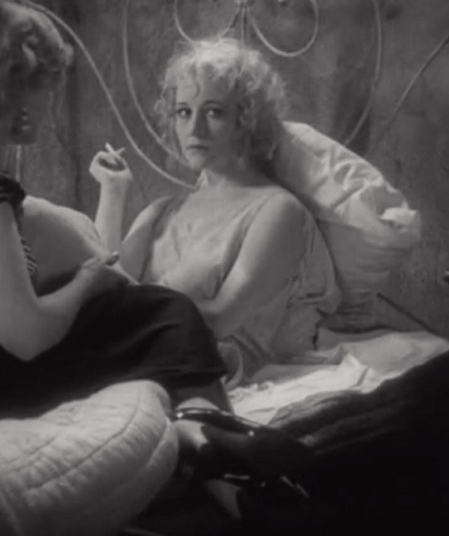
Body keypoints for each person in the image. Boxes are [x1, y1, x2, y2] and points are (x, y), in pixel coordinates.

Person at [0, 0, 234, 441]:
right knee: (168, 314)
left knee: (132, 315)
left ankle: (205, 433)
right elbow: (26, 337)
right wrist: (87, 280)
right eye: (47, 89)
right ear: (20, 86)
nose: (49, 105)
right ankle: (220, 442)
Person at [91, 38, 340, 389]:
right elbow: (100, 287)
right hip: (134, 353)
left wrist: (122, 309)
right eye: (183, 112)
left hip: (202, 369)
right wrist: (113, 193)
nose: (194, 129)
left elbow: (222, 318)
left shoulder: (276, 210)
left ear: (247, 119)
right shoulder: (161, 211)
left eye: (214, 112)